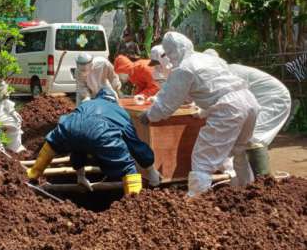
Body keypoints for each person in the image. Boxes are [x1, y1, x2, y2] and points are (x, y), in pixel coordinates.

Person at [139, 32, 260, 196]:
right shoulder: (208, 58)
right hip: (249, 101)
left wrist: (149, 115)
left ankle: (197, 203)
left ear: (172, 51)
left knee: (202, 162)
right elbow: (214, 88)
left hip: (229, 107)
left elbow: (168, 102)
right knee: (238, 150)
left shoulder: (184, 68)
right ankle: (248, 192)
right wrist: (203, 112)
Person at [27, 88, 161, 192]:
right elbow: (135, 145)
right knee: (128, 168)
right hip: (103, 133)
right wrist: (151, 171)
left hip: (69, 127)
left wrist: (80, 176)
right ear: (114, 100)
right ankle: (135, 204)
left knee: (52, 145)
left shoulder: (87, 105)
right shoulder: (119, 112)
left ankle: (32, 175)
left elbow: (79, 143)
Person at [203, 49, 292, 177]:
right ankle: (252, 179)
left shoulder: (229, 73)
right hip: (260, 100)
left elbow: (226, 100)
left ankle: (263, 181)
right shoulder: (225, 73)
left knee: (254, 137)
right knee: (243, 136)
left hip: (273, 100)